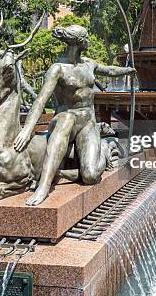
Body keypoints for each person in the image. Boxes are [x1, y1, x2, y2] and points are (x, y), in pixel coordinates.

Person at [14, 25, 136, 206]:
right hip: (64, 118)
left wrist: (129, 70)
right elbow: (40, 101)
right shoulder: (57, 69)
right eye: (86, 37)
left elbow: (109, 70)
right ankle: (44, 186)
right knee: (67, 119)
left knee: (91, 176)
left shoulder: (89, 64)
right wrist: (27, 129)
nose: (89, 40)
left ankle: (103, 148)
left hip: (87, 121)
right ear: (79, 42)